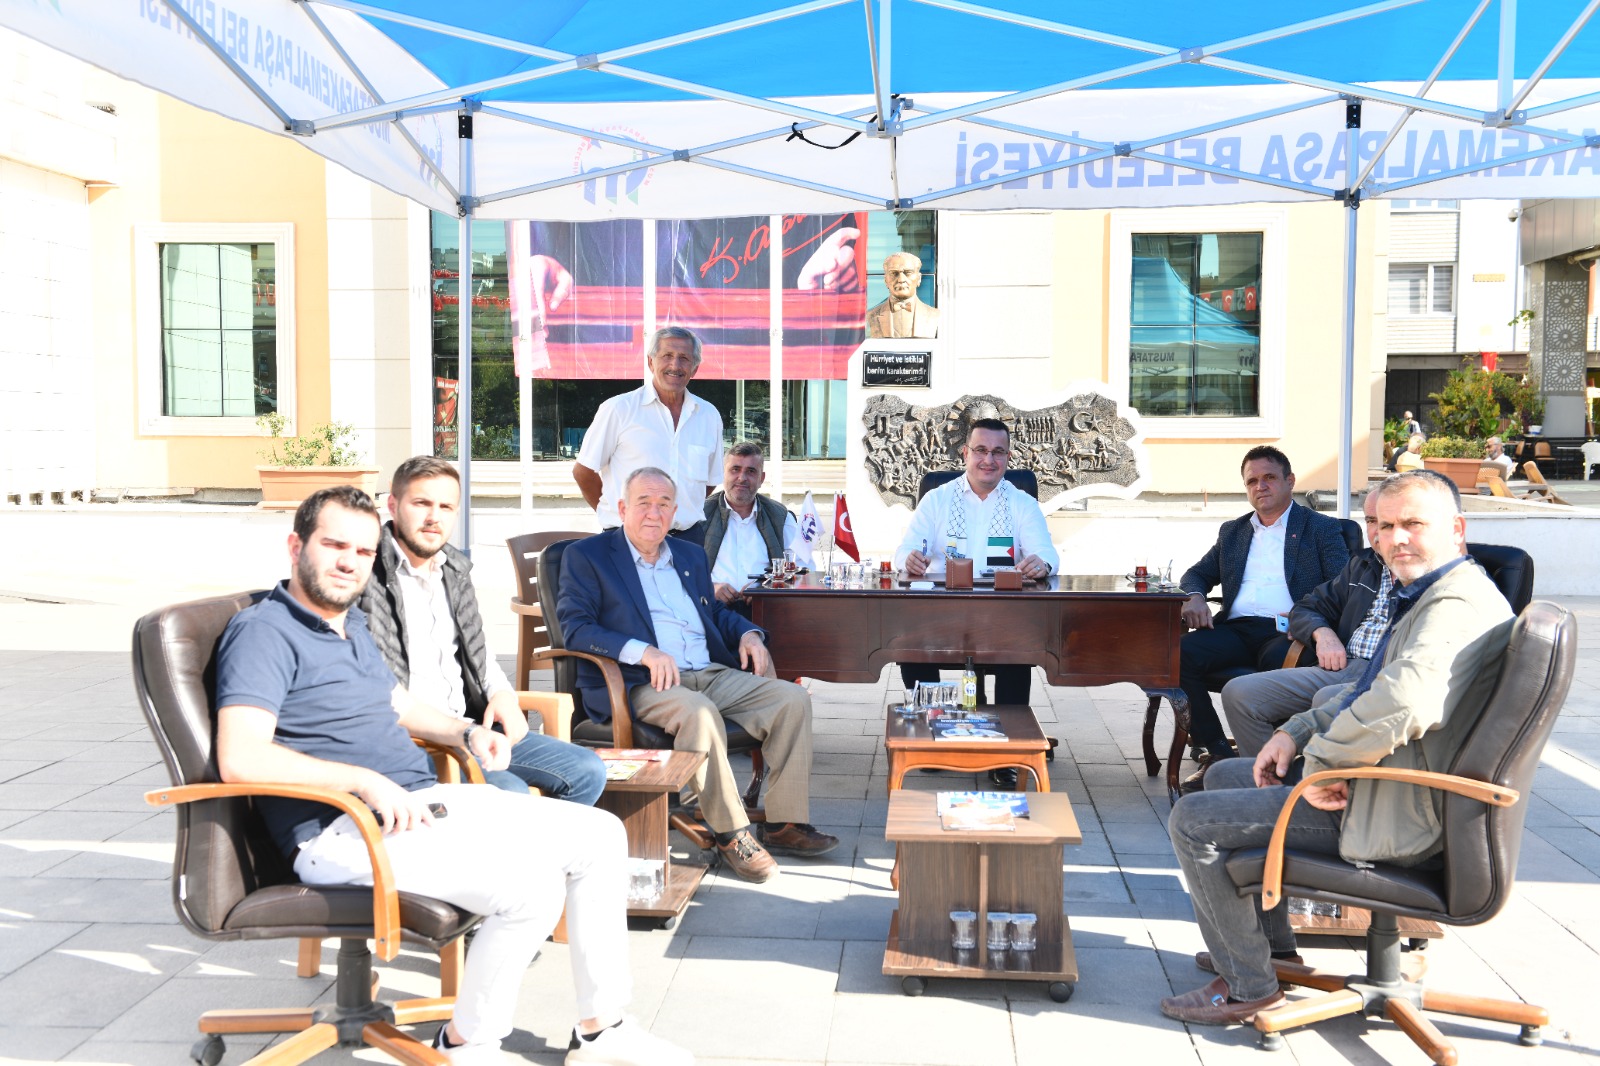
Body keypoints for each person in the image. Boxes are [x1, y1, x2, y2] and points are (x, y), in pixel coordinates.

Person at [214, 486, 693, 1066]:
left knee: (600, 834)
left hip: (417, 803)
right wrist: (363, 781)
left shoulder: (347, 623)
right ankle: (469, 1044)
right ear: (297, 547)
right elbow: (240, 757)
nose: (350, 563)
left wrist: (464, 733)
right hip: (341, 830)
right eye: (334, 546)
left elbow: (396, 704)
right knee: (529, 888)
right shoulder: (265, 632)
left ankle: (602, 1030)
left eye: (362, 552)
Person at [1161, 470, 1514, 1027]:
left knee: (1192, 820)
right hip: (1395, 782)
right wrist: (1294, 734)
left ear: (1457, 529)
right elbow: (1366, 688)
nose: (1395, 538)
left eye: (1414, 524)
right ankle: (1272, 952)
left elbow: (1402, 704)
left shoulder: (1454, 606)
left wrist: (1321, 767)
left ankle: (1248, 986)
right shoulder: (1430, 593)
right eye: (1384, 526)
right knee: (1228, 775)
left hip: (1405, 808)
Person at [556, 467, 837, 883]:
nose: (654, 513)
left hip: (709, 671)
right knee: (700, 714)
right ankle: (732, 834)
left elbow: (714, 612)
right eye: (644, 503)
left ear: (675, 512)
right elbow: (576, 628)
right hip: (642, 681)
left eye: (664, 504)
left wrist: (750, 634)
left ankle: (784, 824)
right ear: (622, 508)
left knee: (791, 700)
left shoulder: (688, 555)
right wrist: (644, 651)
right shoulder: (588, 556)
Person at [359, 455, 606, 804]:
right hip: (412, 741)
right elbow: (377, 691)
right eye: (421, 503)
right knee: (509, 792)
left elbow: (480, 652)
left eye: (446, 506)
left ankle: (539, 842)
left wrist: (503, 695)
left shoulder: (453, 570)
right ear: (393, 505)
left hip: (474, 728)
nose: (434, 517)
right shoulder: (367, 574)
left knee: (587, 770)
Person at [1174, 446, 1350, 793]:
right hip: (1236, 628)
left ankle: (1276, 757)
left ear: (1290, 481)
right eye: (1252, 481)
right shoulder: (1234, 531)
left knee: (1278, 666)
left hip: (1288, 633)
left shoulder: (1321, 528)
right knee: (1177, 655)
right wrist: (1195, 596)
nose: (1261, 486)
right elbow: (1196, 574)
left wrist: (1311, 620)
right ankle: (1218, 753)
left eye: (1269, 477)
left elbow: (1341, 586)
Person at [893, 417, 1058, 710]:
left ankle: (1011, 727)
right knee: (911, 642)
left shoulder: (1023, 503)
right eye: (981, 450)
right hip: (941, 612)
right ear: (965, 453)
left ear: (1008, 457)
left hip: (1002, 615)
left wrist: (1041, 564)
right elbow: (905, 551)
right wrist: (909, 559)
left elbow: (1047, 555)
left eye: (998, 452)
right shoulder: (936, 499)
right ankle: (930, 717)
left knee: (1019, 647)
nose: (988, 460)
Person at [1218, 491, 1392, 758]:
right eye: (1371, 520)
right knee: (1238, 693)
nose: (1378, 531)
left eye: (1388, 521)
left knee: (1326, 698)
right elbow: (1306, 607)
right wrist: (1322, 633)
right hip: (1343, 665)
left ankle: (1314, 778)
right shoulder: (1363, 565)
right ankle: (1268, 778)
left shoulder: (1434, 577)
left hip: (1388, 673)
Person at [572, 326, 723, 543]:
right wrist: (617, 516)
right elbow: (584, 472)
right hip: (627, 539)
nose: (675, 365)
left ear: (695, 368)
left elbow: (708, 483)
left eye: (684, 358)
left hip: (687, 541)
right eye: (667, 356)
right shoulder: (619, 410)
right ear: (651, 362)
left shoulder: (709, 415)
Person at [703, 442, 796, 620]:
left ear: (762, 478)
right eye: (735, 469)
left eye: (751, 471)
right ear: (723, 474)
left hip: (766, 614)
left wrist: (766, 587)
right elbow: (678, 570)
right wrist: (709, 589)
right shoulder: (699, 514)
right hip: (712, 614)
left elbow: (802, 572)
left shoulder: (781, 517)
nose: (742, 478)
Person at [866, 252, 940, 338]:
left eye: (908, 273)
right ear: (885, 280)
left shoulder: (935, 316)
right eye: (894, 273)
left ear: (919, 278)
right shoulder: (869, 317)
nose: (901, 280)